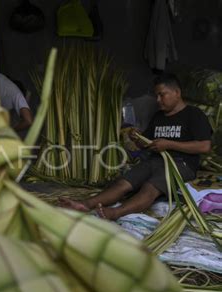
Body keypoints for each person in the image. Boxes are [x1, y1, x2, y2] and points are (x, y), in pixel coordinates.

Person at [59, 73, 212, 220]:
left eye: (162, 94)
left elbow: (204, 146)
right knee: (123, 183)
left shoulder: (194, 114)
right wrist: (137, 138)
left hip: (180, 164)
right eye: (156, 95)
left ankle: (116, 212)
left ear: (177, 92)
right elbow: (146, 144)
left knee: (149, 187)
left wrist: (169, 144)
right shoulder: (158, 117)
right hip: (154, 161)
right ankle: (84, 205)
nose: (158, 100)